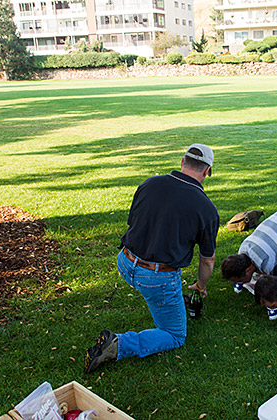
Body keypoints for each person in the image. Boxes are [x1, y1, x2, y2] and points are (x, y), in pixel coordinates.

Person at [84, 144, 220, 373]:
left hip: (125, 262)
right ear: (207, 171)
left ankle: (171, 299)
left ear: (182, 162)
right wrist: (201, 285)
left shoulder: (149, 183)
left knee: (162, 289)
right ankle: (118, 344)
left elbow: (135, 223)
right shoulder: (206, 209)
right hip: (155, 277)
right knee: (175, 334)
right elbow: (207, 260)